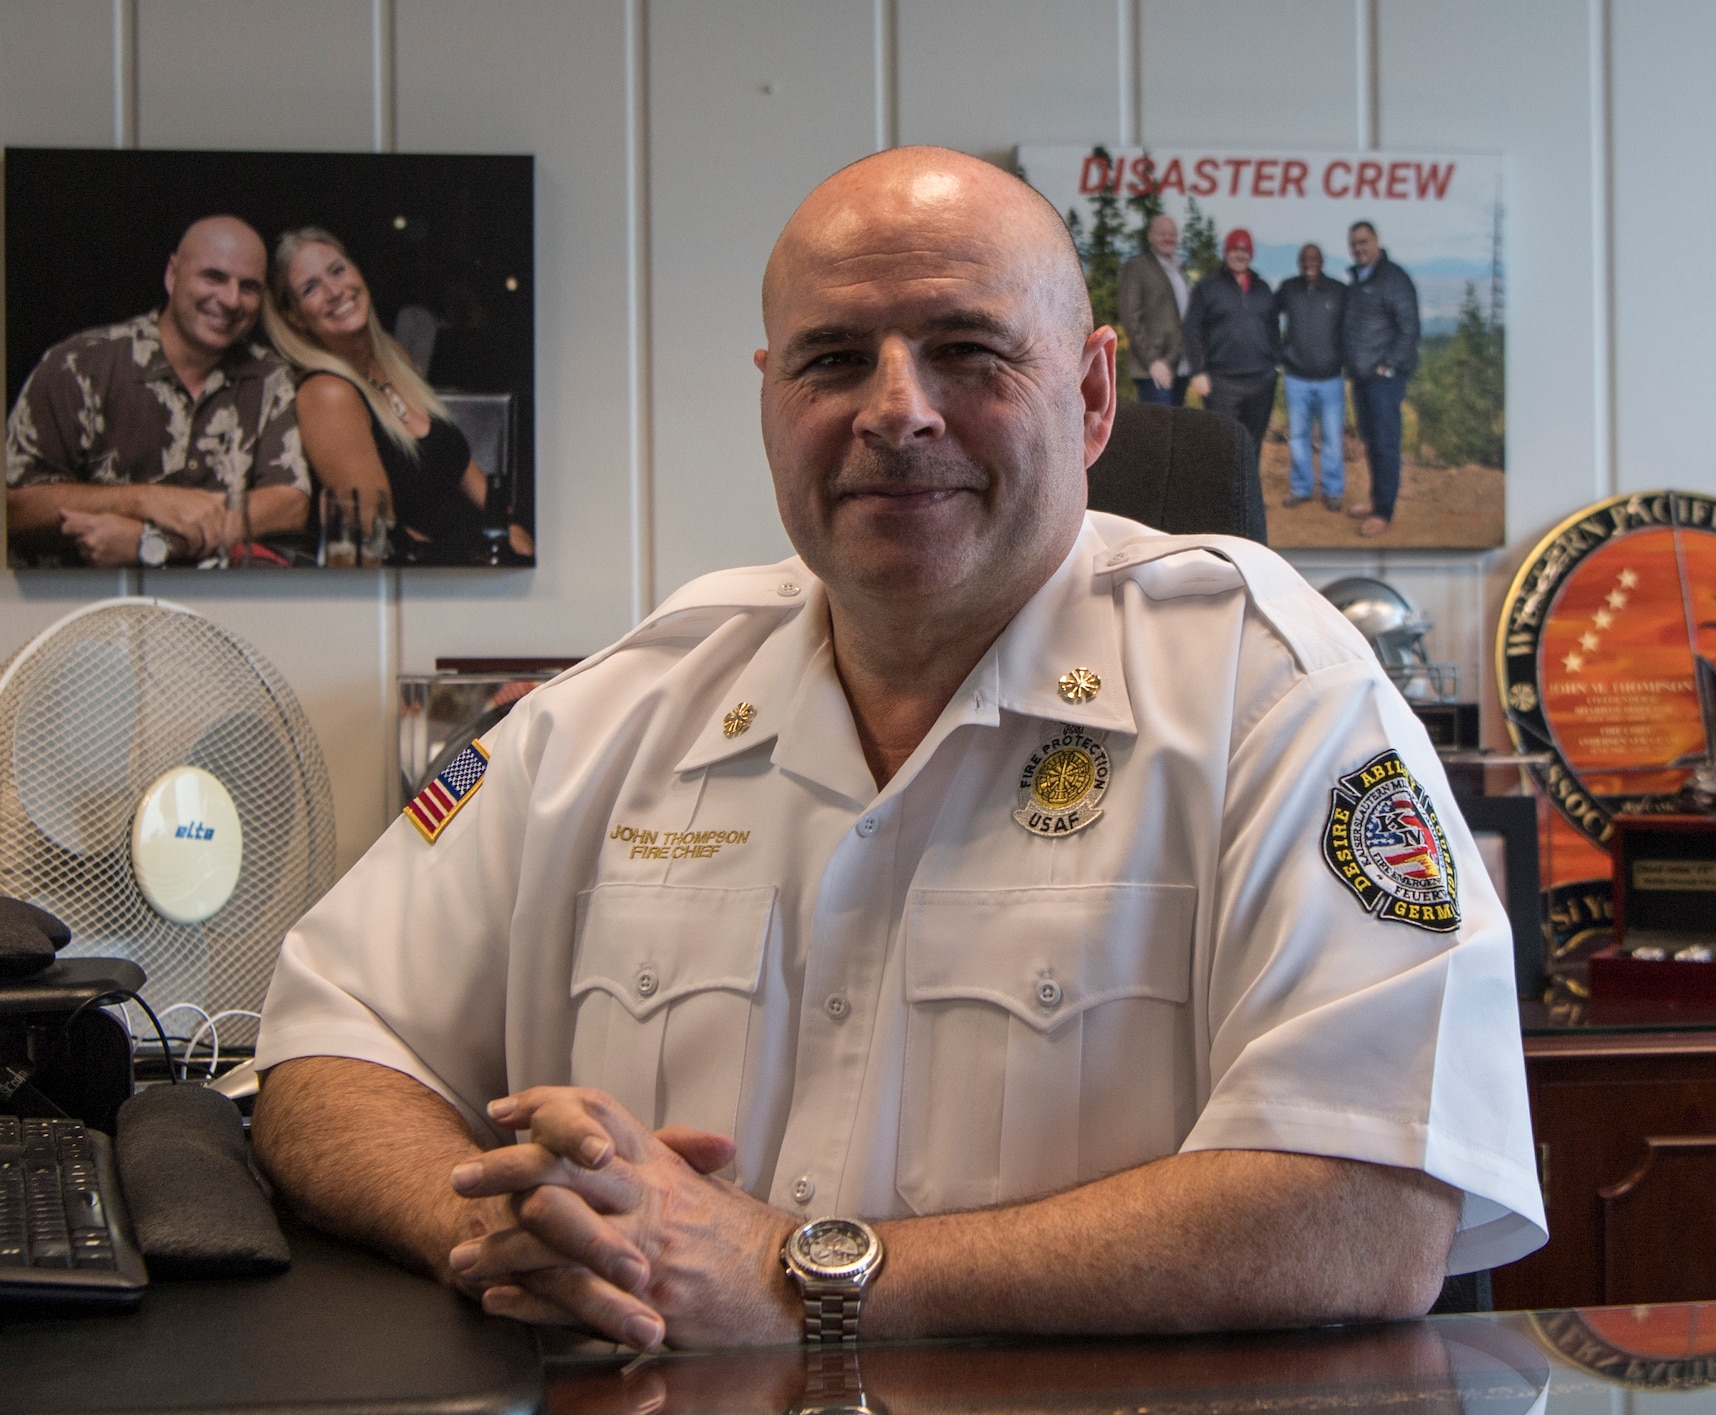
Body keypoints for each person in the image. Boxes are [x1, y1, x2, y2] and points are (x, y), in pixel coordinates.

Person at [250, 147, 1543, 1353]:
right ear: (769, 401)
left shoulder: (1274, 695)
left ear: (1094, 393)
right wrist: (500, 1227)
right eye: (831, 361)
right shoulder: (619, 711)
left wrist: (790, 1273)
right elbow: (322, 1041)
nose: (896, 409)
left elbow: (1373, 1207)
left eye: (968, 350)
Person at [4, 215, 310, 567]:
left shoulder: (268, 375)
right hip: (82, 610)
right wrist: (145, 501)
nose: (230, 299)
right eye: (213, 277)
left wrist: (156, 542)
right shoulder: (78, 364)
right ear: (173, 274)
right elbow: (15, 509)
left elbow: (290, 504)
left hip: (218, 614)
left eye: (249, 287)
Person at [262, 227, 534, 564]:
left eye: (338, 270)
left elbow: (468, 474)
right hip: (426, 580)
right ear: (294, 318)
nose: (335, 291)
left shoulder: (395, 359)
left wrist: (507, 527)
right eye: (310, 288)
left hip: (477, 562)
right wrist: (481, 551)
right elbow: (383, 538)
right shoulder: (327, 393)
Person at [1340, 222, 1420, 538]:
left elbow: (1409, 327)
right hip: (1362, 377)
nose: (1359, 248)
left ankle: (1384, 511)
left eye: (1364, 242)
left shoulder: (1393, 278)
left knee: (1386, 443)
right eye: (1354, 244)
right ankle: (1376, 499)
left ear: (1376, 241)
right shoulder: (1360, 280)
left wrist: (1390, 365)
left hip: (1384, 378)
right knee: (1372, 442)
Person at [1183, 228, 1280, 447]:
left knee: (1253, 446)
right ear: (1226, 252)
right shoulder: (1207, 287)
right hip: (1221, 383)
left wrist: (1274, 364)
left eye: (1245, 250)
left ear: (1251, 254)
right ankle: (1224, 484)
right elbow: (1191, 330)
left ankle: (1251, 483)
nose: (1240, 254)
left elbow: (1273, 327)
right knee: (1223, 443)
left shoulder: (1262, 288)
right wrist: (1198, 371)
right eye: (1235, 249)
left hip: (1261, 381)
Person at [1274, 243, 1347, 511]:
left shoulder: (1339, 291)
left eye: (1314, 258)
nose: (1309, 263)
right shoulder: (1288, 289)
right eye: (1304, 259)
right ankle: (1301, 487)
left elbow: (1352, 327)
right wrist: (1280, 352)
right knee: (1299, 437)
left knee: (1331, 437)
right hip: (1296, 378)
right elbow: (1267, 317)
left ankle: (1333, 490)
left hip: (1331, 379)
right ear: (1299, 262)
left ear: (1322, 261)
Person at [1117, 213, 1190, 405]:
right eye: (1162, 233)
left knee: (1176, 429)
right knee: (1159, 430)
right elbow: (1130, 316)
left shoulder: (1180, 269)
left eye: (1172, 234)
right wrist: (1152, 361)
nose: (1168, 238)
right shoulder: (1137, 267)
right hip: (1154, 368)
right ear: (1150, 236)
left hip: (1180, 365)